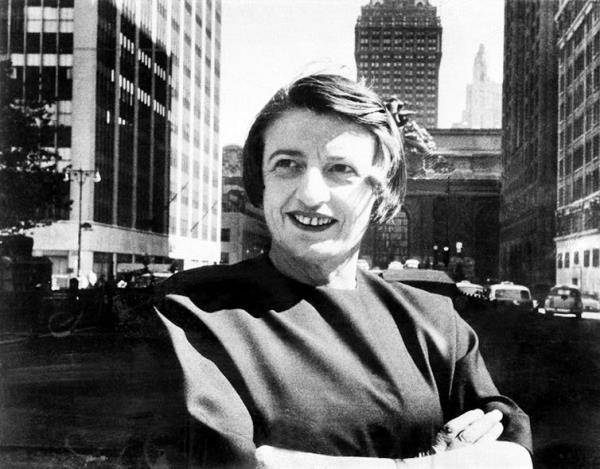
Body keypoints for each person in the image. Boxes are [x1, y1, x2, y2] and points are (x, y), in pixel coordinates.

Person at [154, 73, 532, 468]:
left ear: (380, 192)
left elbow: (509, 451)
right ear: (260, 181)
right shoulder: (189, 313)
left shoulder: (437, 324)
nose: (311, 194)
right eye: (287, 164)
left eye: (341, 170)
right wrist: (435, 463)